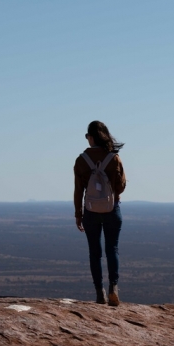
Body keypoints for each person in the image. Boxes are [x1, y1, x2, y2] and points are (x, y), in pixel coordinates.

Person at [74, 121, 127, 306]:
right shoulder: (114, 158)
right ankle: (114, 288)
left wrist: (78, 214)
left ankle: (99, 292)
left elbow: (78, 191)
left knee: (94, 253)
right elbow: (121, 186)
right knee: (112, 249)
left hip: (90, 211)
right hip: (112, 209)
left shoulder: (82, 160)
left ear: (91, 136)